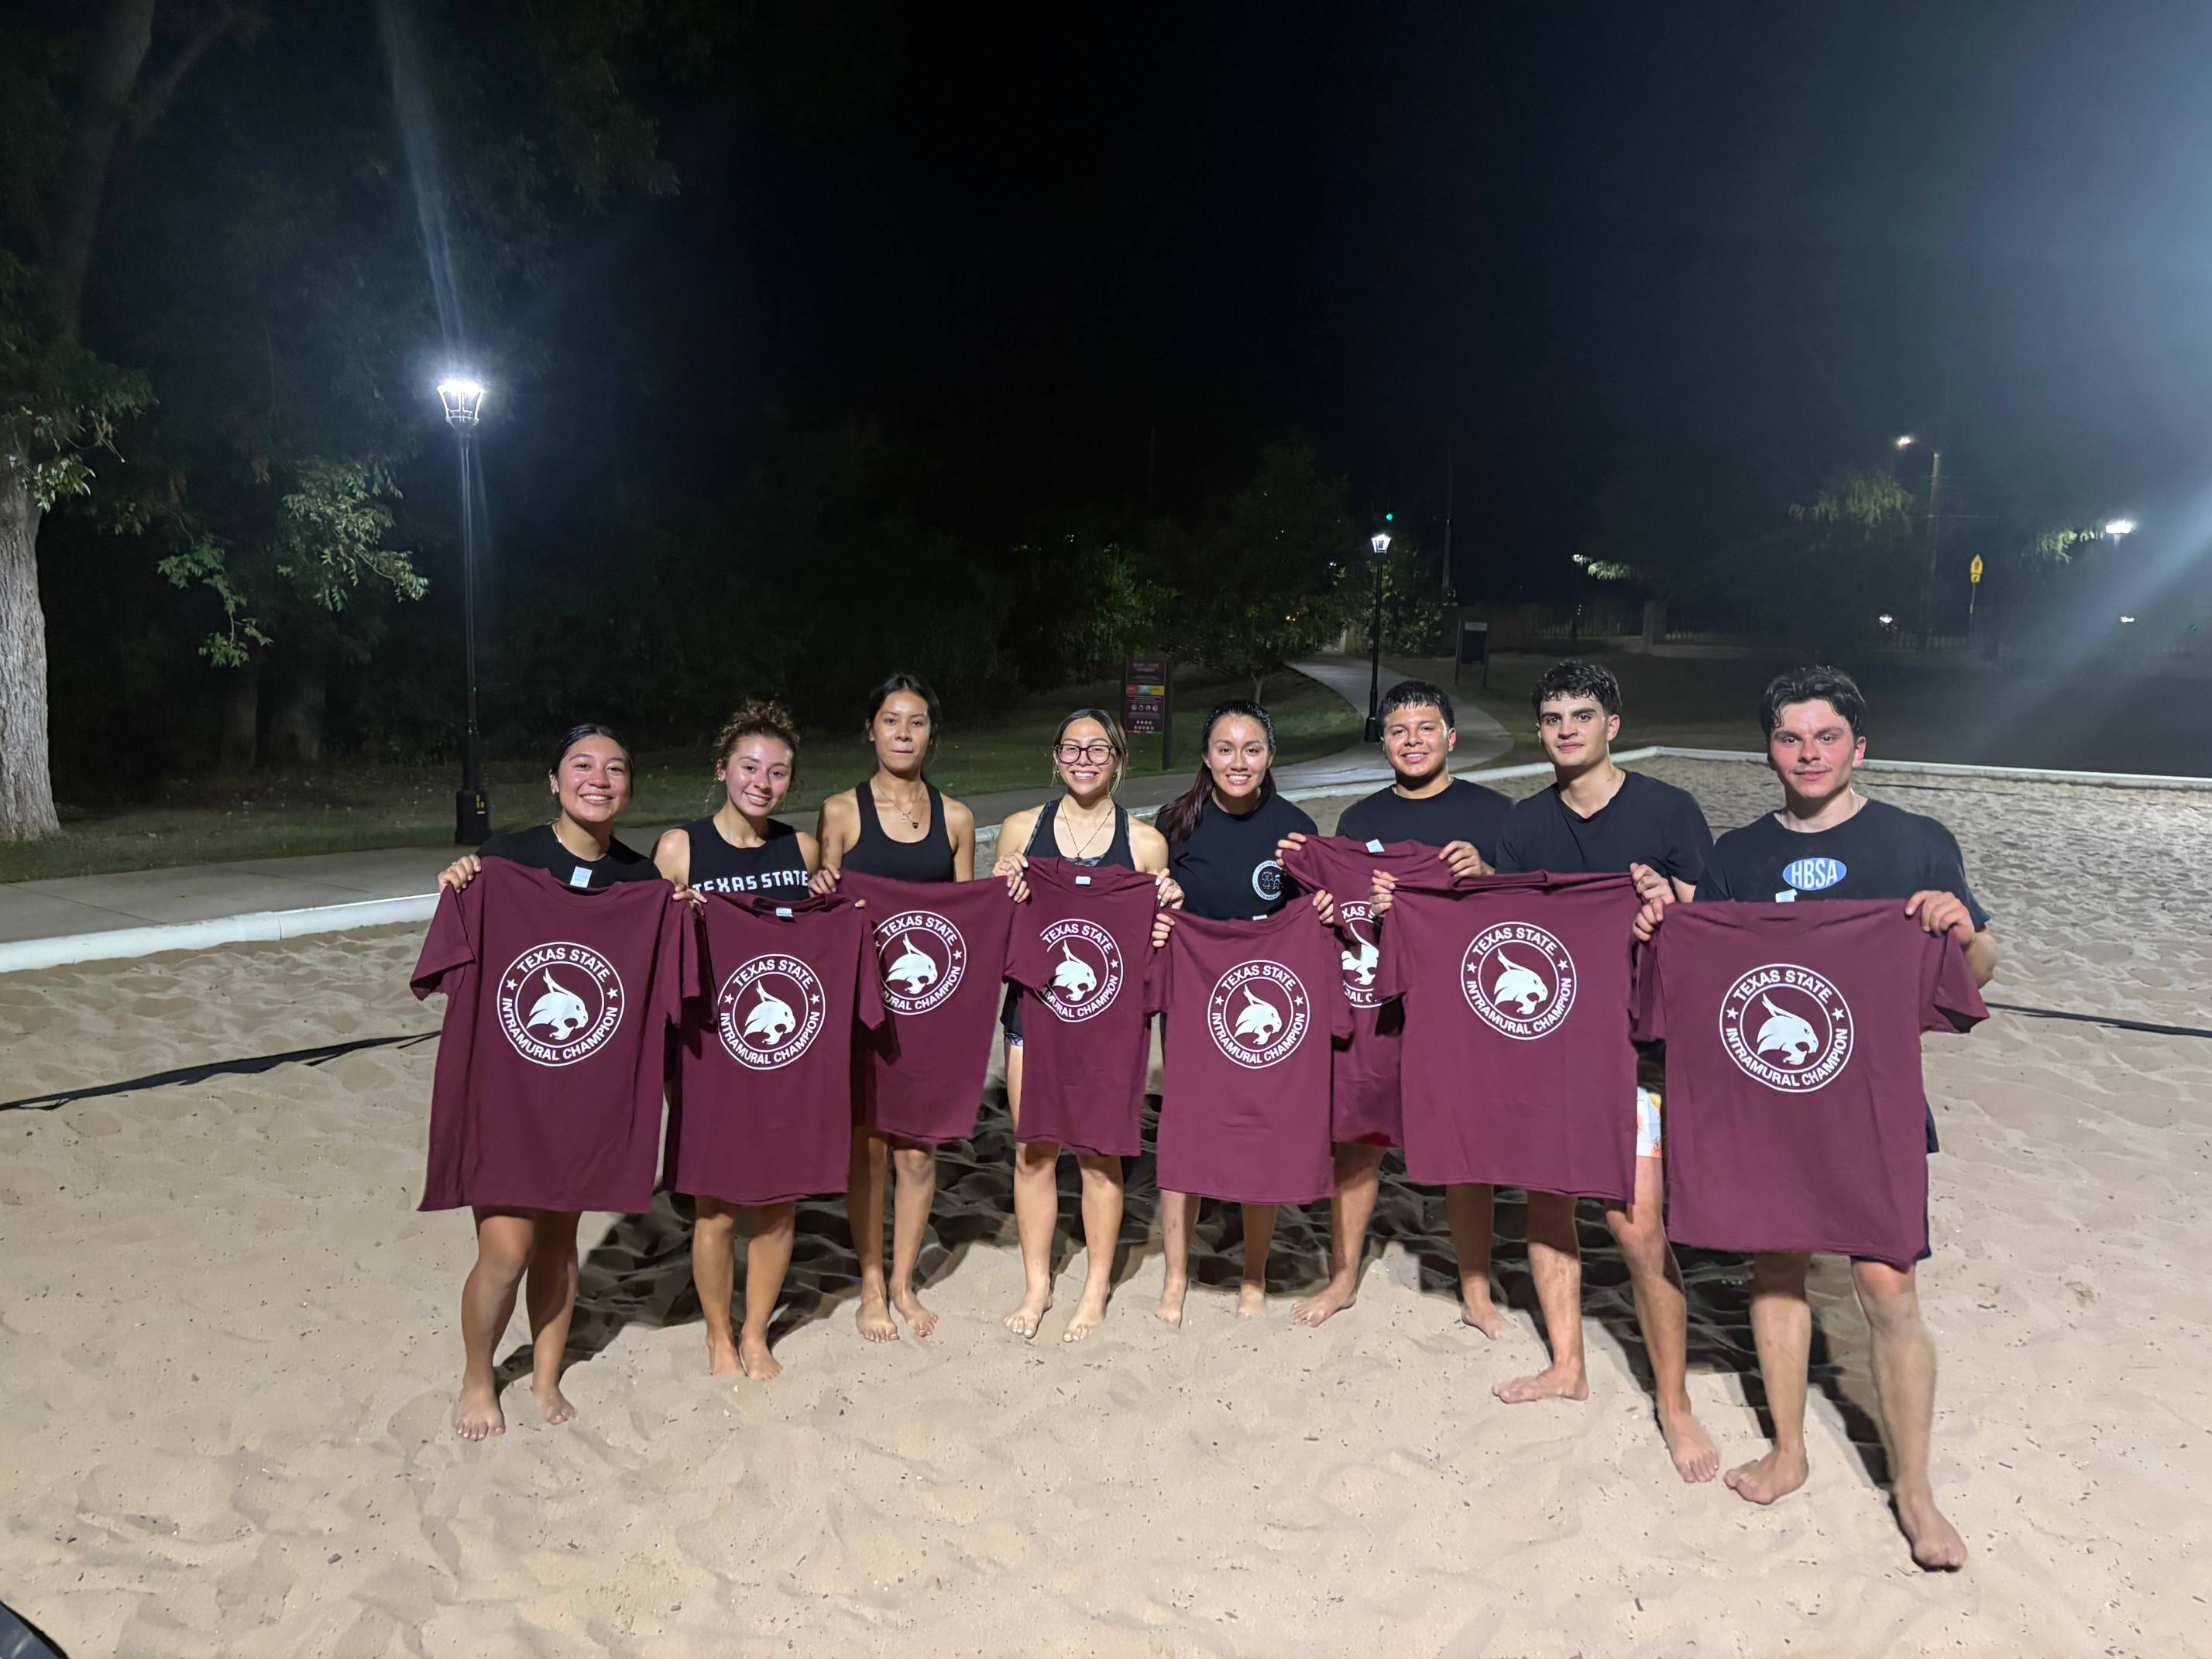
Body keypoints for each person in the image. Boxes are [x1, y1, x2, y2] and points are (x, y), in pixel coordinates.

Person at [1633, 665, 1996, 1569]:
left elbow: (1978, 973)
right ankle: (1791, 1450)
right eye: (1790, 739)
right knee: (1777, 1271)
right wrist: (1662, 926)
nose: (1808, 754)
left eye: (1826, 737)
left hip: (1868, 1103)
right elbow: (1704, 967)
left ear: (1858, 747)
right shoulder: (1740, 852)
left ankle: (1913, 1488)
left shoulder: (1916, 843)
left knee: (1887, 1288)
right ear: (1769, 750)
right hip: (1767, 1102)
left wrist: (1959, 929)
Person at [1376, 659, 1719, 1482]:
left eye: (1583, 715)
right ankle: (1568, 1364)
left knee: (1636, 1227)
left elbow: (1717, 919)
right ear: (1541, 731)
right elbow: (1499, 924)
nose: (1568, 730)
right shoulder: (1524, 824)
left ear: (1614, 725)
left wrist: (1670, 897)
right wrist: (1426, 899)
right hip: (1548, 1043)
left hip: (1637, 1046)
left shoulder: (1669, 810)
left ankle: (1675, 1404)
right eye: (1555, 718)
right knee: (1545, 1200)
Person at [433, 723, 668, 1440]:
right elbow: (452, 958)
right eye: (582, 765)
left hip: (587, 1096)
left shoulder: (643, 883)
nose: (599, 779)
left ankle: (543, 1375)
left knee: (561, 1244)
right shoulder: (503, 861)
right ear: (554, 779)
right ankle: (479, 1377)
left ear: (629, 785)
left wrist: (682, 915)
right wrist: (457, 885)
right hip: (508, 1093)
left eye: (616, 768)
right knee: (505, 1251)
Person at [1277, 679, 1510, 1328]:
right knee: (1357, 1144)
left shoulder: (1494, 817)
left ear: (1451, 738)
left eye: (1427, 728)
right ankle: (1343, 1279)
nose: (1413, 741)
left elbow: (1522, 915)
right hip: (1377, 1007)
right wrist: (1321, 907)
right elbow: (1340, 916)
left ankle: (1476, 1294)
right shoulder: (1359, 824)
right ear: (1383, 742)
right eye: (1400, 731)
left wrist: (1486, 877)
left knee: (1466, 1152)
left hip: (1457, 1010)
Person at [990, 709, 1180, 1340]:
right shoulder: (1022, 831)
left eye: (1098, 748)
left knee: (1101, 1157)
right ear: (1054, 755)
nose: (1084, 758)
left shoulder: (1147, 843)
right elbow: (998, 926)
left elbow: (1159, 939)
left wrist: (1166, 913)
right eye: (1071, 746)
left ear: (1119, 760)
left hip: (1108, 1023)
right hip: (1033, 1017)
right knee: (1033, 1149)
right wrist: (1002, 887)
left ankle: (1096, 1286)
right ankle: (1038, 1283)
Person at [1153, 699, 1334, 1326]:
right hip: (1192, 998)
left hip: (1267, 1003)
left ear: (1270, 757)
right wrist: (1160, 908)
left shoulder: (1295, 829)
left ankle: (1253, 1274)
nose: (1238, 761)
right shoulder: (1173, 824)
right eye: (1225, 749)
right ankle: (1176, 1276)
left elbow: (1321, 921)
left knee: (1264, 1131)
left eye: (1251, 749)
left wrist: (1323, 903)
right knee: (1185, 1131)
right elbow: (1147, 907)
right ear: (1206, 757)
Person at [652, 701, 818, 1381]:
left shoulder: (800, 850)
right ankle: (719, 1335)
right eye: (750, 767)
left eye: (778, 772)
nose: (763, 782)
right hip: (709, 1056)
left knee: (778, 1206)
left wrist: (831, 898)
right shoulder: (680, 848)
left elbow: (817, 947)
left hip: (782, 1058)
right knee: (717, 1209)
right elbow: (648, 952)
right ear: (723, 769)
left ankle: (756, 1334)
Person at [812, 673, 978, 1343]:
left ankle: (905, 1282)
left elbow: (967, 919)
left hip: (929, 1012)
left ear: (931, 734)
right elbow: (825, 907)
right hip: (863, 1007)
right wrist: (823, 883)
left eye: (915, 722)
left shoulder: (958, 818)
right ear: (870, 729)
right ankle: (872, 1283)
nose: (902, 733)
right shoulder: (840, 811)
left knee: (918, 1156)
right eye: (890, 720)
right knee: (871, 1152)